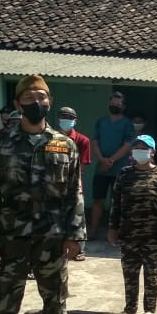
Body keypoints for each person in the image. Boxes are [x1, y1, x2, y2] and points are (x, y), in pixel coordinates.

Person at [0, 75, 85, 314]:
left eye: (41, 97)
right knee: (6, 298)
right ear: (17, 104)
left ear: (49, 101)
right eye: (29, 98)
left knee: (54, 297)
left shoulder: (64, 145)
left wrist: (76, 235)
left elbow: (74, 192)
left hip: (52, 235)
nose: (36, 103)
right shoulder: (4, 144)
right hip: (11, 235)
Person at [107, 135, 157, 314]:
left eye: (144, 147)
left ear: (152, 151)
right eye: (136, 147)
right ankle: (130, 309)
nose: (140, 150)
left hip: (152, 236)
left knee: (152, 276)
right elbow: (116, 204)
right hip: (128, 235)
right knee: (130, 274)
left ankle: (150, 311)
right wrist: (112, 228)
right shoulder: (124, 174)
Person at [89, 91, 135, 240]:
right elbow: (95, 142)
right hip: (101, 169)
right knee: (98, 200)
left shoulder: (127, 124)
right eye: (113, 103)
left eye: (118, 104)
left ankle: (117, 232)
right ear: (109, 104)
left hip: (119, 170)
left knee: (119, 202)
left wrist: (110, 161)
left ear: (124, 106)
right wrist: (102, 160)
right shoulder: (101, 121)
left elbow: (127, 145)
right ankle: (93, 230)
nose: (115, 105)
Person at [57, 106, 92, 261]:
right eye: (63, 117)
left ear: (75, 121)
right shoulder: (51, 138)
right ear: (58, 119)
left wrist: (77, 186)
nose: (66, 120)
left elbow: (81, 166)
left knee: (77, 216)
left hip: (73, 183)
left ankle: (79, 249)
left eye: (69, 118)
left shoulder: (82, 140)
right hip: (55, 184)